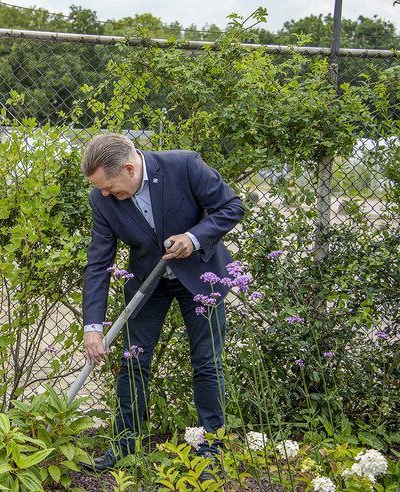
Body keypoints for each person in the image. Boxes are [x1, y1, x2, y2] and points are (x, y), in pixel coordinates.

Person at [79, 133, 244, 472]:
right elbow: (98, 263)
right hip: (147, 284)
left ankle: (211, 449)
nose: (105, 194)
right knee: (133, 363)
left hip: (200, 277)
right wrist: (93, 327)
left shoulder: (183, 165)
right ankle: (123, 447)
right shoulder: (101, 199)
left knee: (207, 363)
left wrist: (193, 238)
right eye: (100, 189)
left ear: (128, 168)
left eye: (109, 186)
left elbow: (231, 207)